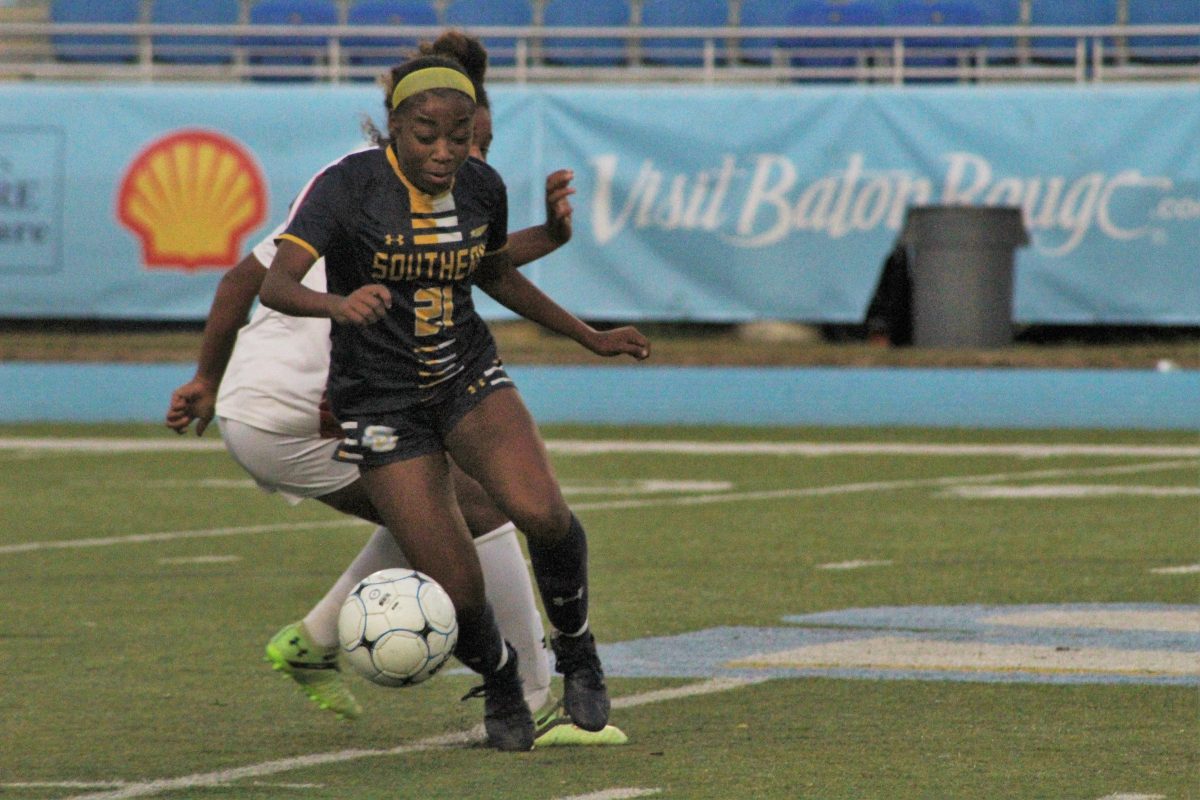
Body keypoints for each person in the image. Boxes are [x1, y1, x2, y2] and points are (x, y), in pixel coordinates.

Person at [167, 33, 637, 749]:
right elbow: (267, 282)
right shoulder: (346, 186)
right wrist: (326, 315)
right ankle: (506, 682)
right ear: (395, 124)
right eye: (435, 135)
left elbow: (489, 267)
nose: (454, 152)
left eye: (468, 136)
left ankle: (570, 659)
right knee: (453, 566)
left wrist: (588, 330)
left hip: (462, 374)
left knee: (535, 510)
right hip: (359, 399)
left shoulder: (480, 184)